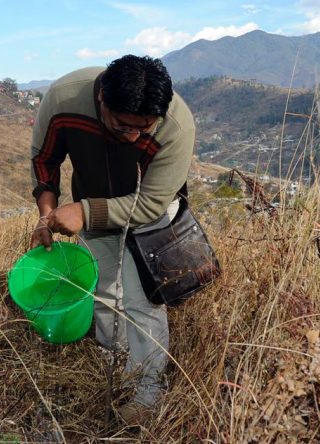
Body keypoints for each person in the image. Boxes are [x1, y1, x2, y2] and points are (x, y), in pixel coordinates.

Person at [29, 55, 195, 425]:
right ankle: (116, 360)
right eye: (122, 127)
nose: (133, 137)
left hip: (151, 216)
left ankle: (148, 392)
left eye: (143, 129)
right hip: (91, 205)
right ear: (102, 97)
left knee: (142, 301)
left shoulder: (176, 125)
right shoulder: (63, 100)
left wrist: (84, 212)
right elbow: (44, 160)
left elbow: (151, 203)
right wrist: (47, 214)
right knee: (102, 290)